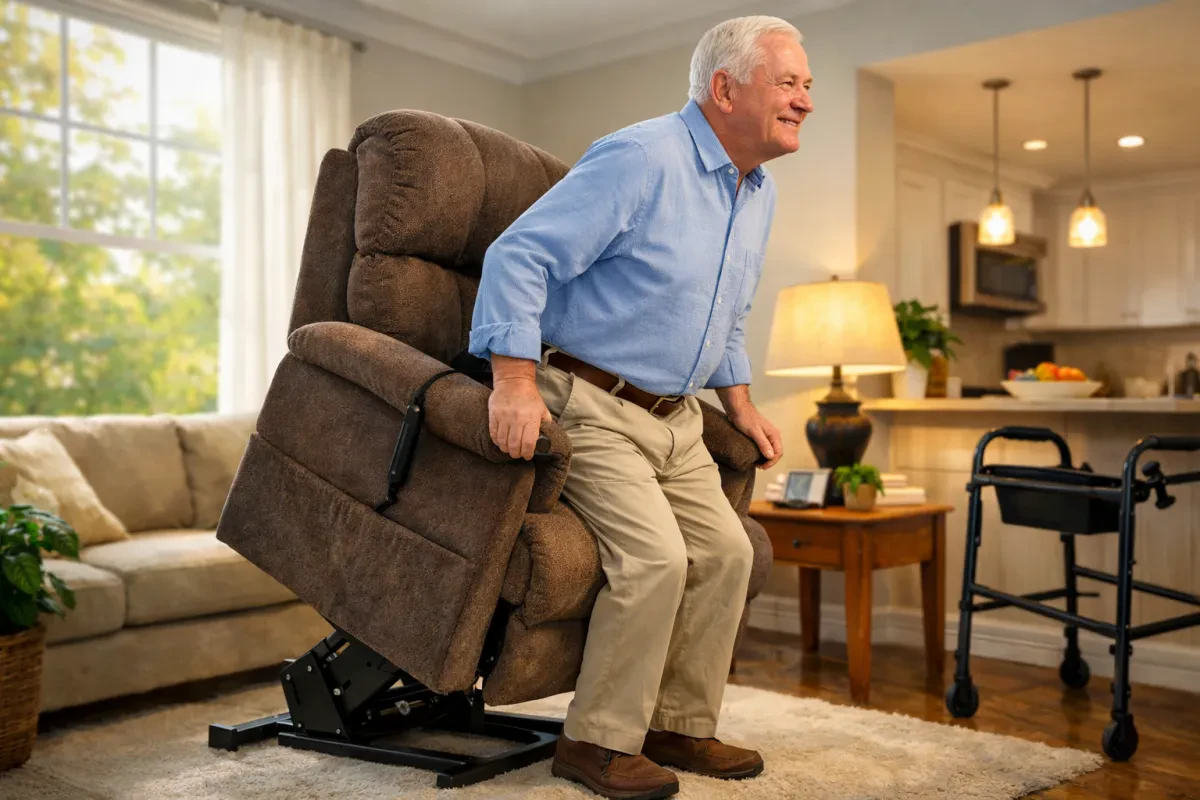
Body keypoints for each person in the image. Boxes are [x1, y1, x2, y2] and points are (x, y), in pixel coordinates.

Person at [469, 15, 812, 800]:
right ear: (725, 89)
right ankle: (595, 744)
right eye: (788, 83)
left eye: (807, 86)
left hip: (677, 419)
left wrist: (742, 404)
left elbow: (726, 311)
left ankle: (678, 726)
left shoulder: (755, 191)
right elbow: (519, 255)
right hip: (590, 401)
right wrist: (514, 383)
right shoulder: (641, 157)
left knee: (728, 554)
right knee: (655, 560)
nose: (804, 101)